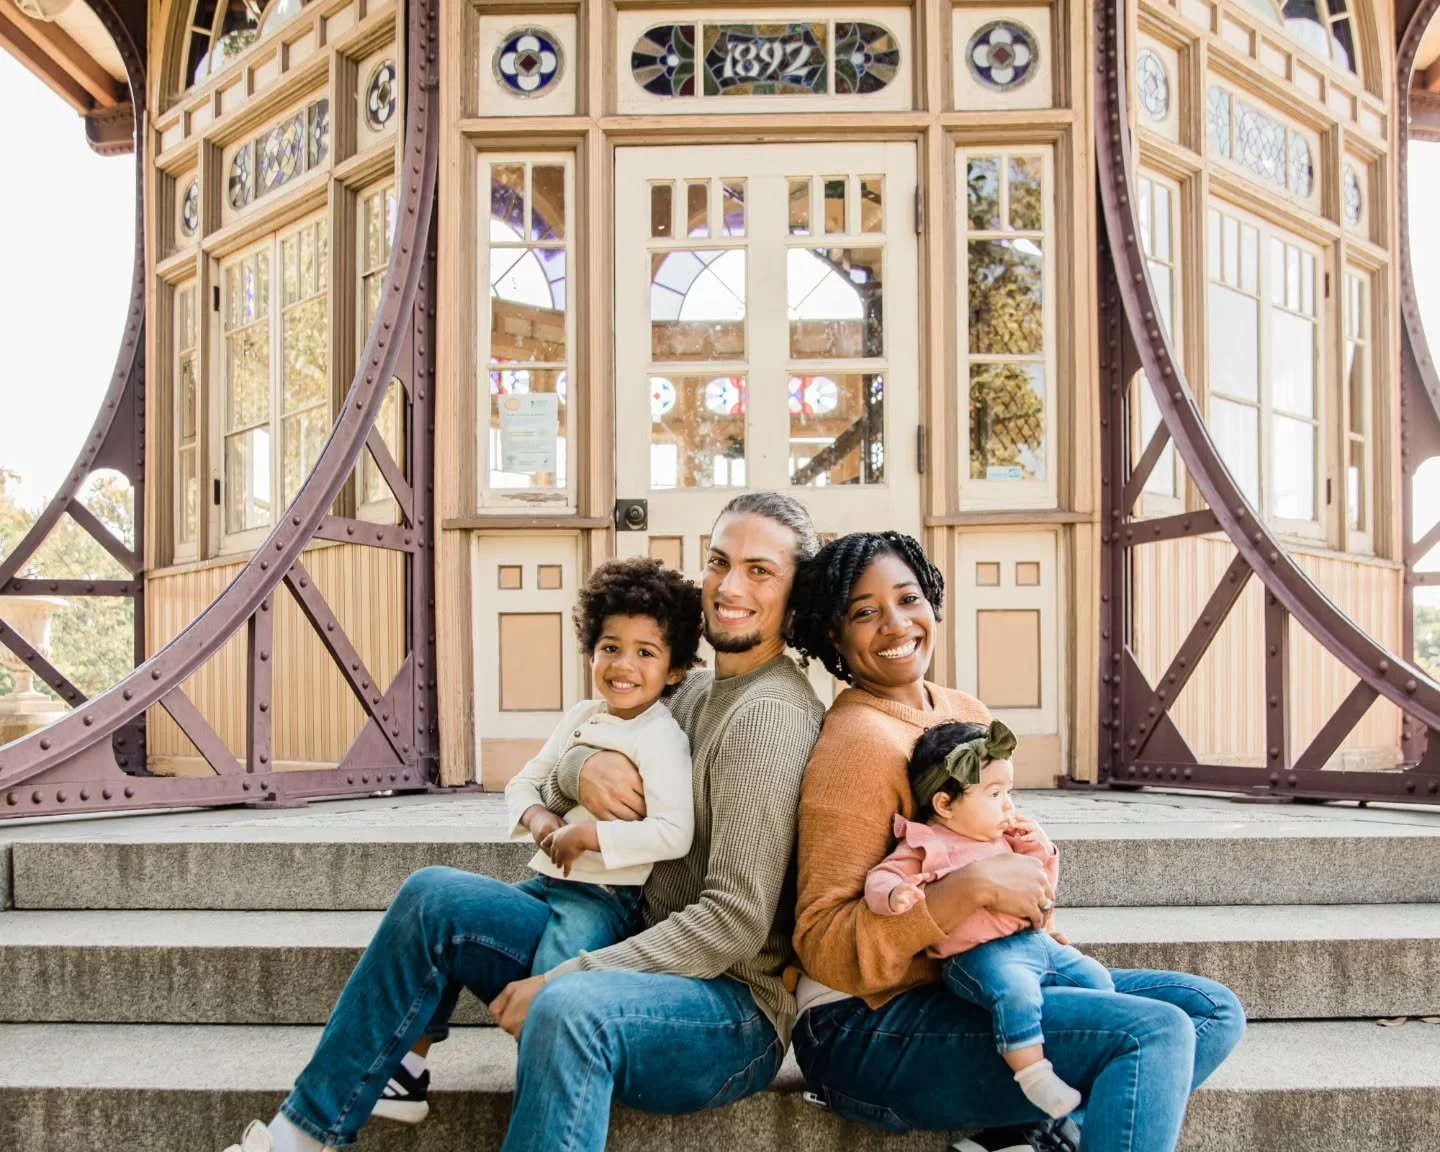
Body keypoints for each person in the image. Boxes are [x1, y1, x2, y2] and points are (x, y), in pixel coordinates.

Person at [223, 491, 826, 1152]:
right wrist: (576, 771)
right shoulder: (697, 690)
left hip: (728, 1014)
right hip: (634, 944)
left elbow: (735, 922)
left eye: (760, 571)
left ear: (795, 596)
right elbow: (596, 741)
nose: (730, 585)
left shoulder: (768, 715)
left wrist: (572, 976)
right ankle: (300, 1136)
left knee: (569, 1010)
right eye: (719, 561)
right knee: (433, 899)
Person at [786, 530, 1245, 1152]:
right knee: (1152, 1032)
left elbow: (1002, 856)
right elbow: (822, 943)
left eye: (908, 598)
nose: (895, 624)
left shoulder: (962, 709)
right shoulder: (858, 745)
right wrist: (964, 892)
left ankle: (1029, 1137)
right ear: (833, 636)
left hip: (972, 985)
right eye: (863, 612)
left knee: (1209, 1010)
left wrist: (1030, 906)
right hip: (864, 1027)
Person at [373, 555, 702, 1123]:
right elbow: (526, 779)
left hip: (604, 899)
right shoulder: (580, 714)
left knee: (553, 990)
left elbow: (674, 833)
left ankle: (552, 1100)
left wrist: (592, 834)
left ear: (674, 671)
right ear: (590, 649)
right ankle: (409, 1064)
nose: (623, 665)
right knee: (451, 926)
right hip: (548, 883)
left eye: (645, 653)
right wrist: (540, 819)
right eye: (610, 647)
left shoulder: (662, 737)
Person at [866, 719, 1113, 1122]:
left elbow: (1042, 886)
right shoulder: (928, 842)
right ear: (945, 804)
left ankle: (1093, 1051)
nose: (1007, 806)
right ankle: (1033, 1076)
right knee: (1015, 994)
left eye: (1009, 793)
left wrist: (1040, 847)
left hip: (1034, 943)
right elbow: (882, 877)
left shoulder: (1005, 838)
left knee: (1097, 979)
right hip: (980, 957)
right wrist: (895, 895)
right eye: (994, 793)